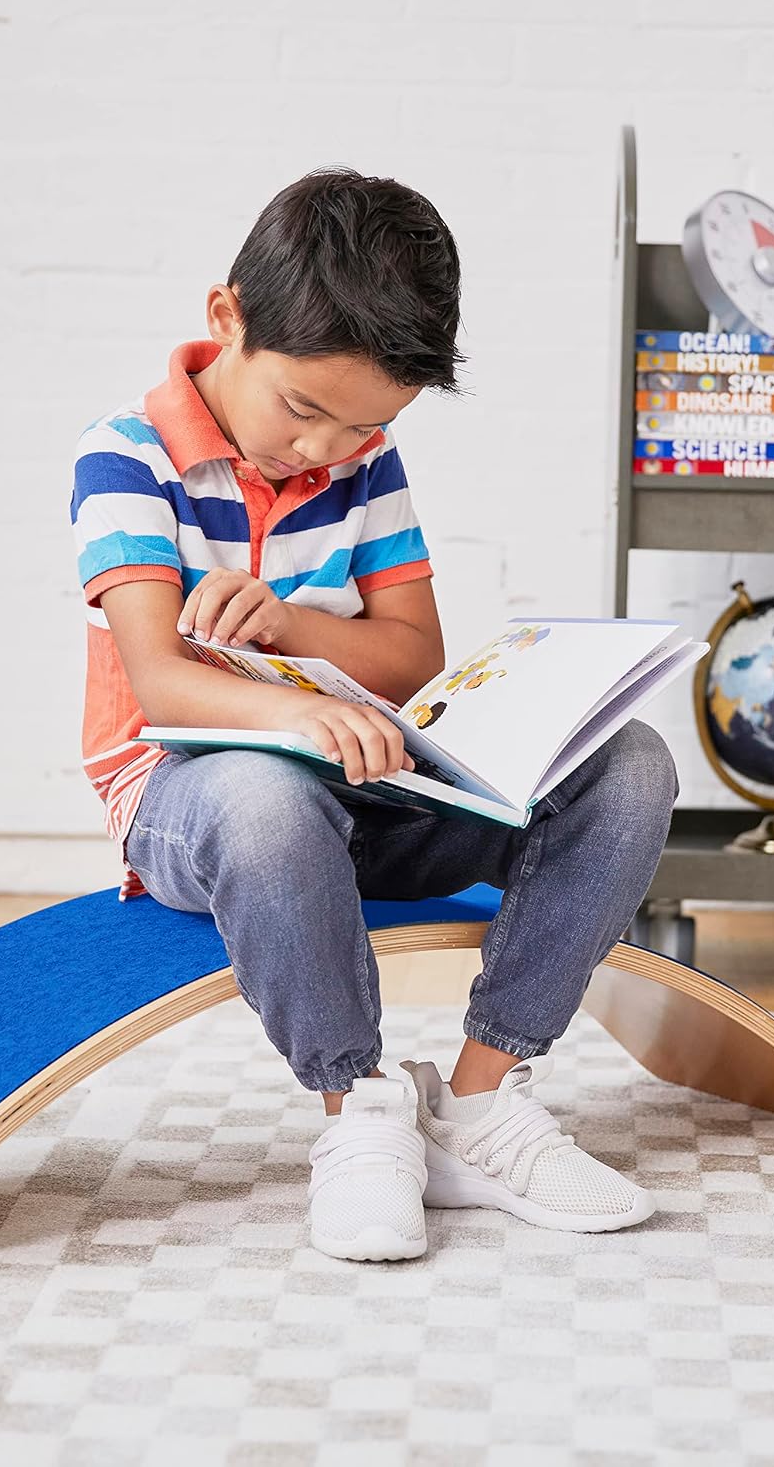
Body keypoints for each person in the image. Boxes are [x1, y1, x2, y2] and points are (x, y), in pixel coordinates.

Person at [69, 168, 679, 1263]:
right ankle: (360, 1116)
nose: (322, 451)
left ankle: (480, 1105)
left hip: (373, 785)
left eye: (366, 426)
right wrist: (288, 715)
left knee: (627, 760)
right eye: (303, 410)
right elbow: (160, 681)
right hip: (196, 801)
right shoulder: (128, 457)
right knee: (264, 797)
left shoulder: (363, 460)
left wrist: (293, 627)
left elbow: (411, 660)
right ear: (228, 318)